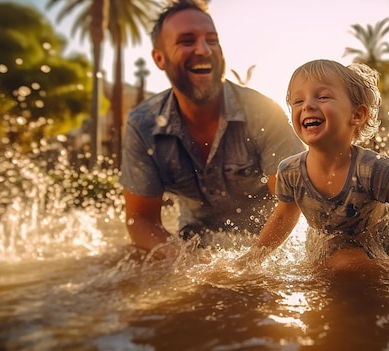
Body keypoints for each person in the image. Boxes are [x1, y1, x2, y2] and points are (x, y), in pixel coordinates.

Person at [119, 0, 304, 257]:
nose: (204, 50)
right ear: (159, 58)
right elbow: (140, 220)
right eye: (187, 41)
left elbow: (291, 205)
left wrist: (249, 264)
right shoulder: (143, 124)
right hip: (192, 243)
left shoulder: (263, 112)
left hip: (269, 245)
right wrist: (184, 259)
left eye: (212, 39)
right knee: (130, 260)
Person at [238, 59, 389, 278]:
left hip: (376, 250)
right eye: (297, 101)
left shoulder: (374, 170)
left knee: (347, 265)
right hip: (324, 248)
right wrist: (250, 260)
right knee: (321, 275)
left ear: (357, 115)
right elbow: (282, 218)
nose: (307, 105)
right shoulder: (291, 172)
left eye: (323, 96)